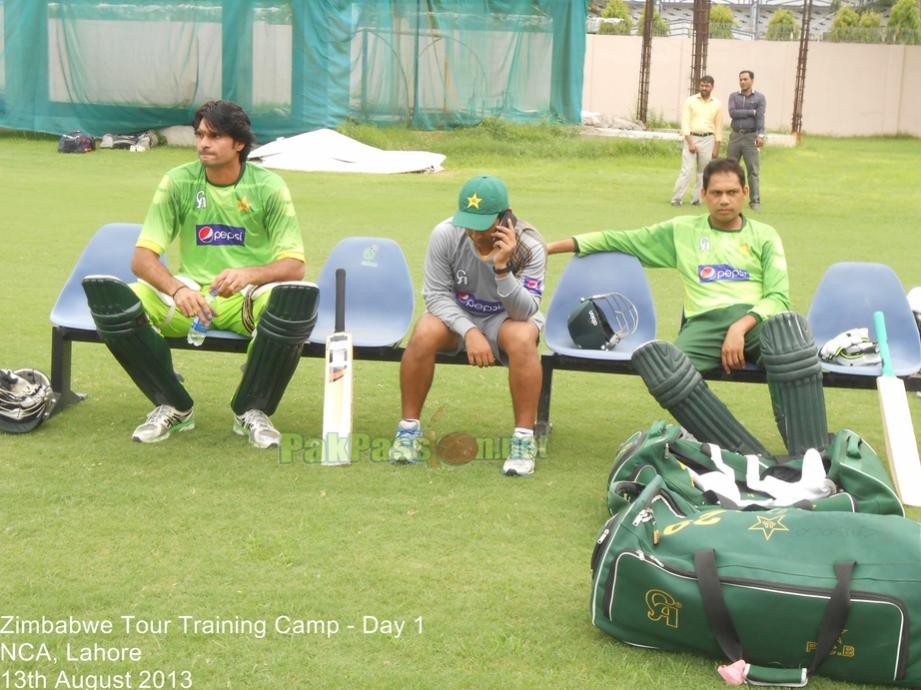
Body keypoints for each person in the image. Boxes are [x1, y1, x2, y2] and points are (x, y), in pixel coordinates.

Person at [83, 100, 318, 448]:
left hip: (247, 300)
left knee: (291, 304)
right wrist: (177, 290)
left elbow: (294, 265)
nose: (203, 143)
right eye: (200, 135)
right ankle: (173, 405)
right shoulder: (178, 181)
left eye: (215, 136)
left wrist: (249, 273)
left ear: (239, 143)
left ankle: (251, 410)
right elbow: (142, 259)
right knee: (117, 303)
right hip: (190, 301)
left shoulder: (269, 186)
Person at [550, 158, 788, 374]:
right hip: (705, 322)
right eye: (716, 193)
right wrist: (550, 247)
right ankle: (705, 424)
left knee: (791, 357)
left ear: (745, 193)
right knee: (668, 371)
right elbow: (620, 240)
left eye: (732, 192)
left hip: (756, 321)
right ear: (704, 194)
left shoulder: (766, 235)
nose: (724, 200)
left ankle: (795, 424)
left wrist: (739, 328)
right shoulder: (682, 231)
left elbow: (778, 297)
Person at [389, 175, 546, 476]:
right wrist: (470, 331)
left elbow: (524, 311)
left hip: (506, 320)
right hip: (457, 319)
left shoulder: (531, 246)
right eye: (468, 221)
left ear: (506, 215)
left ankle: (523, 441)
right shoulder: (445, 234)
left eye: (483, 223)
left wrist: (502, 268)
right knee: (424, 331)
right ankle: (408, 431)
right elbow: (435, 295)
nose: (474, 231)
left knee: (524, 336)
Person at [671, 76, 723, 208]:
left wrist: (716, 147)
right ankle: (677, 198)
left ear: (712, 87)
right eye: (702, 85)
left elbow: (718, 127)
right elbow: (685, 123)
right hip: (692, 137)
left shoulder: (717, 104)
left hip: (708, 139)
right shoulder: (690, 101)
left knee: (703, 171)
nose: (704, 88)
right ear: (699, 86)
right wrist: (690, 142)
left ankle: (697, 199)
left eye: (707, 86)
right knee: (686, 170)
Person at [727, 70, 766, 211]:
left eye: (745, 79)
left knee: (753, 170)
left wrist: (761, 135)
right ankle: (729, 199)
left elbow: (760, 117)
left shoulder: (760, 98)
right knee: (730, 169)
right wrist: (751, 112)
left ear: (752, 80)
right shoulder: (733, 96)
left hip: (751, 137)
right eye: (741, 79)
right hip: (735, 136)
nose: (742, 82)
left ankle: (755, 201)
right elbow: (732, 113)